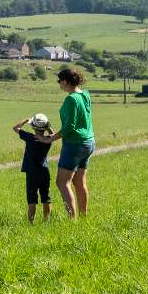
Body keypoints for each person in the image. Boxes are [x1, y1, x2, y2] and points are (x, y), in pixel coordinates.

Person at [54, 68, 95, 218]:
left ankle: (73, 219)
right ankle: (84, 216)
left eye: (59, 81)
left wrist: (51, 138)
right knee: (79, 181)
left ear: (65, 81)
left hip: (74, 145)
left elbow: (70, 126)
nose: (59, 84)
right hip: (88, 142)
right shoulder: (85, 95)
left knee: (62, 182)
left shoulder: (71, 99)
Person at [13, 112, 56, 222]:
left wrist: (26, 120)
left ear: (33, 127)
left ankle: (31, 221)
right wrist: (48, 126)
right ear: (45, 128)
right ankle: (46, 220)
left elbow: (16, 128)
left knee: (32, 199)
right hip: (44, 171)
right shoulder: (48, 140)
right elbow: (54, 135)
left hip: (31, 173)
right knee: (46, 197)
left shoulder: (29, 137)